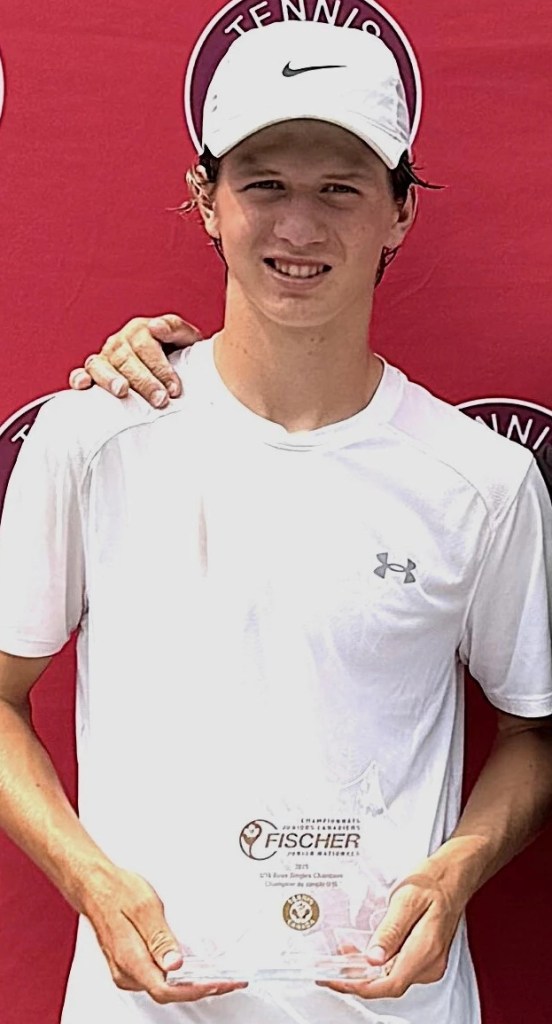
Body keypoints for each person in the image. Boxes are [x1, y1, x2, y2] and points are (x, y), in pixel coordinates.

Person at [0, 18, 551, 1024]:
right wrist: (88, 876)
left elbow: (533, 729)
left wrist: (460, 866)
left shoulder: (484, 480)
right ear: (206, 199)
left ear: (399, 212)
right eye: (264, 184)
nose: (299, 226)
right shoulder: (93, 440)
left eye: (340, 187)